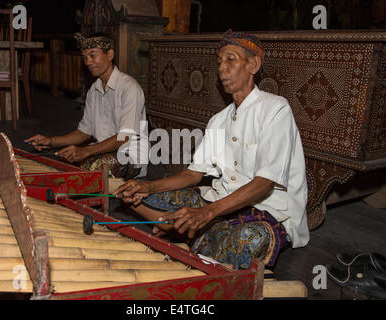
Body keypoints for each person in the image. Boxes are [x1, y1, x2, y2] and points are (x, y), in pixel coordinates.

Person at [114, 29, 310, 270]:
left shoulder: (275, 110)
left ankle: (189, 233)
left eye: (231, 59)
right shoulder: (219, 119)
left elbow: (265, 183)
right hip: (217, 201)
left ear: (253, 65)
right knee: (143, 198)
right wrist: (148, 185)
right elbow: (193, 175)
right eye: (219, 62)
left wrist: (207, 213)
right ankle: (196, 233)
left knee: (250, 239)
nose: (221, 68)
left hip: (267, 210)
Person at [25, 32, 148, 179]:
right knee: (54, 161)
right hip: (100, 150)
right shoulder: (94, 91)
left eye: (92, 55)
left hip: (130, 156)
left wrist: (86, 152)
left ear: (110, 54)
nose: (88, 62)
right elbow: (83, 132)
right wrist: (51, 141)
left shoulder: (129, 88)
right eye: (85, 58)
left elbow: (125, 137)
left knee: (90, 168)